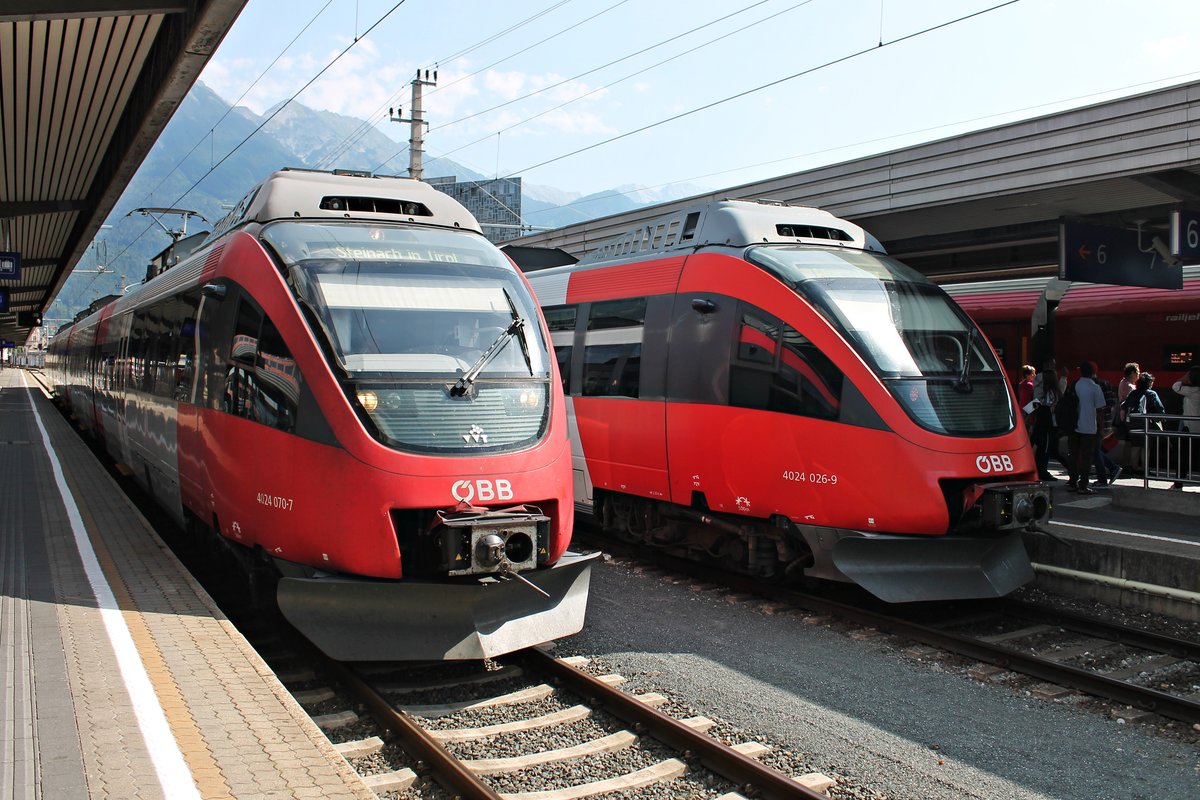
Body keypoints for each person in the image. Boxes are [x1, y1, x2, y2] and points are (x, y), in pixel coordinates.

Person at [1066, 360, 1107, 494]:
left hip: (1073, 425)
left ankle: (1072, 482)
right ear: (1093, 372)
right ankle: (1083, 485)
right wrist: (1101, 428)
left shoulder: (1074, 385)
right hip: (1089, 427)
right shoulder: (1095, 388)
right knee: (1086, 457)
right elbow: (1100, 410)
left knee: (1073, 455)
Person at [1122, 372, 1166, 474]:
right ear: (1149, 383)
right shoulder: (1152, 394)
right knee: (1146, 446)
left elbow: (1124, 406)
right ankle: (1144, 469)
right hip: (1147, 423)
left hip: (1132, 422)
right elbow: (1160, 409)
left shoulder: (1133, 393)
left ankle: (1134, 467)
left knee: (1136, 445)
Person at [1031, 359, 1063, 480]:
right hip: (1047, 418)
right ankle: (1042, 471)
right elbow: (1042, 401)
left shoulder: (1038, 380)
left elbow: (1036, 400)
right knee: (1045, 446)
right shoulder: (1050, 388)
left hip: (1041, 416)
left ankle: (1038, 469)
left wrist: (1025, 412)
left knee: (1038, 443)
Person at [1171, 365, 1200, 489]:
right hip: (1196, 428)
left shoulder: (1192, 391)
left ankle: (1178, 483)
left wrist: (1185, 377)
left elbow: (1175, 386)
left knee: (1183, 457)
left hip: (1190, 428)